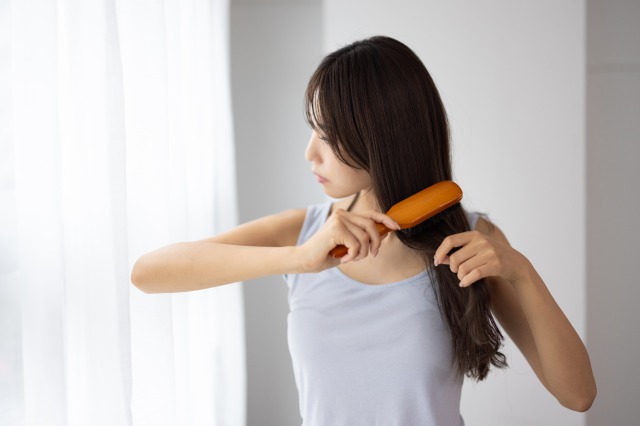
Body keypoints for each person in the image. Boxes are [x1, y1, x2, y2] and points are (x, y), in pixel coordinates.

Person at [131, 35, 596, 425]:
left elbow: (578, 395)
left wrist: (521, 272)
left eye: (328, 135)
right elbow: (148, 273)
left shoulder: (470, 242)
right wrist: (299, 258)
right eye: (312, 129)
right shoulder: (305, 233)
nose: (310, 153)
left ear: (382, 137)